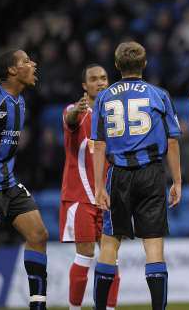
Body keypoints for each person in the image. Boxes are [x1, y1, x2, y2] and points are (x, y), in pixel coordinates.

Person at [91, 41, 182, 310]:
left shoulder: (105, 97)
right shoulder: (158, 94)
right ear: (144, 64)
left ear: (117, 66)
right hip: (152, 174)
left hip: (117, 175)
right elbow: (173, 140)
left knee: (109, 245)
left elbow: (99, 144)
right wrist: (177, 181)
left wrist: (99, 186)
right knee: (153, 247)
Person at [0, 50, 49, 309]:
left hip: (9, 183)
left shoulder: (20, 101)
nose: (33, 64)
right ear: (12, 71)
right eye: (26, 61)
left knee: (38, 234)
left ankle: (38, 306)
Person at [59, 64, 119, 310]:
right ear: (85, 85)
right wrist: (76, 111)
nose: (100, 82)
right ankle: (75, 308)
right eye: (94, 79)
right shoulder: (76, 111)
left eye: (104, 78)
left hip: (109, 197)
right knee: (85, 255)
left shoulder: (115, 113)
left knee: (110, 258)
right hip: (80, 197)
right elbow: (70, 118)